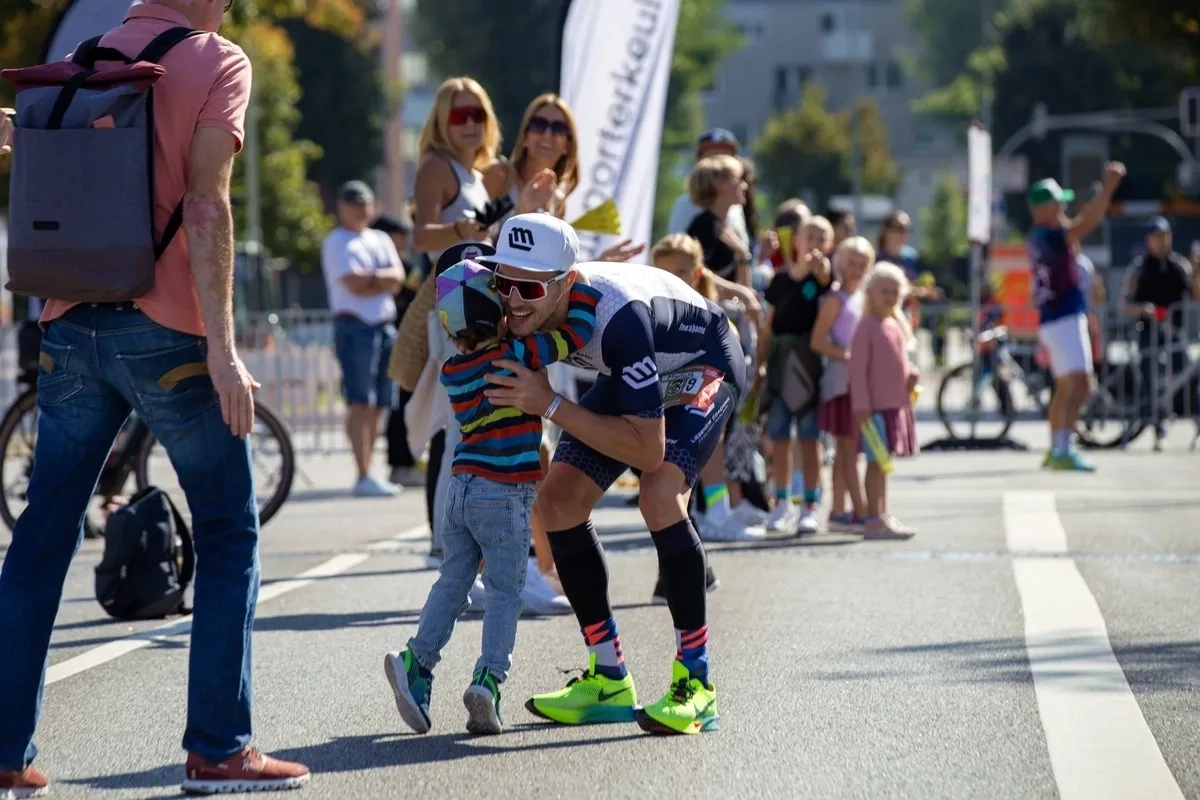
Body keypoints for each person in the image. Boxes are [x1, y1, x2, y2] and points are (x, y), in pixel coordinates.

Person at [0, 0, 310, 795]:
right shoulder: (218, 60)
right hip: (166, 331)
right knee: (228, 529)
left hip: (70, 323)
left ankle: (4, 750)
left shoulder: (92, 52)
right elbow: (207, 204)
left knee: (41, 536)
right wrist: (225, 348)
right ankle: (219, 746)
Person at [481, 213, 745, 736]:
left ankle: (698, 684)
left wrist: (551, 403)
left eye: (528, 287)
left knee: (660, 488)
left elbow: (647, 452)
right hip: (641, 367)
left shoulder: (615, 318)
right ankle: (608, 676)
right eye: (502, 282)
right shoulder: (515, 304)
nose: (512, 300)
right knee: (557, 502)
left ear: (566, 282)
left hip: (704, 357)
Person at [384, 259, 602, 736]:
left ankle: (417, 663)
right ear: (501, 314)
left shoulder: (453, 370)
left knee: (453, 582)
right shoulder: (521, 354)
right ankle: (488, 679)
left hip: (461, 490)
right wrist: (577, 285)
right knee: (505, 593)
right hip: (505, 493)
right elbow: (577, 332)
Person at [1028, 165, 1124, 471]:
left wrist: (1086, 208)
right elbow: (1086, 225)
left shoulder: (1042, 235)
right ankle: (1063, 449)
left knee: (1065, 387)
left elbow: (1075, 229)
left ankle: (1057, 448)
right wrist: (1108, 189)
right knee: (1080, 385)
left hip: (1055, 319)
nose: (1062, 208)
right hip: (1064, 317)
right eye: (1057, 203)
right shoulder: (1051, 235)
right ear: (1044, 207)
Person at [321, 180, 406, 497]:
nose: (358, 208)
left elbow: (397, 279)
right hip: (355, 326)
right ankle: (362, 474)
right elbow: (353, 284)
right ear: (341, 207)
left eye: (363, 203)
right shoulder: (336, 241)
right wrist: (379, 280)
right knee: (360, 401)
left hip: (384, 326)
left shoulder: (380, 238)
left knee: (379, 404)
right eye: (352, 203)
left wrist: (372, 280)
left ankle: (370, 472)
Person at [758, 216, 834, 534]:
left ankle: (810, 506)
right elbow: (770, 323)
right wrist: (759, 364)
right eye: (809, 236)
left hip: (810, 366)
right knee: (778, 438)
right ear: (797, 241)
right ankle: (781, 503)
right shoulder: (778, 280)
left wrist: (819, 270)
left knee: (809, 438)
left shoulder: (824, 281)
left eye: (821, 237)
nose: (814, 242)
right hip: (780, 364)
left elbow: (827, 281)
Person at [849, 263, 920, 539]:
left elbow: (901, 361)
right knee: (875, 462)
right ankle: (872, 517)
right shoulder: (866, 326)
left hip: (893, 405)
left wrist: (912, 374)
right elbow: (857, 370)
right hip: (873, 408)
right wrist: (861, 404)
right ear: (871, 293)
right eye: (884, 290)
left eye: (895, 291)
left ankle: (881, 512)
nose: (890, 296)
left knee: (883, 462)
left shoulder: (894, 324)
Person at [1121, 216, 1200, 447]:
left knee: (1188, 375)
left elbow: (1195, 293)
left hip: (1175, 331)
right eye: (1157, 237)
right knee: (1151, 380)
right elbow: (1125, 302)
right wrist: (1143, 310)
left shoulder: (1179, 265)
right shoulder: (1140, 267)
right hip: (1148, 331)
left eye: (1166, 236)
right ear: (1149, 240)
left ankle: (1195, 419)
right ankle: (1159, 426)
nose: (1162, 241)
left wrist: (1196, 270)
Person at [812, 237, 874, 533]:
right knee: (848, 449)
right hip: (841, 383)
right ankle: (862, 512)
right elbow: (818, 340)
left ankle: (838, 512)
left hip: (858, 383)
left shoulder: (863, 297)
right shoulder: (836, 300)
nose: (857, 269)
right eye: (852, 263)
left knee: (844, 450)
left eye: (863, 265)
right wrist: (848, 356)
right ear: (840, 264)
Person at [371, 213, 425, 488]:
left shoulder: (399, 265)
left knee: (402, 404)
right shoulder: (393, 266)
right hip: (399, 344)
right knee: (398, 406)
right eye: (399, 235)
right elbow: (419, 285)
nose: (404, 240)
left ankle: (406, 462)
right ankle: (400, 465)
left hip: (404, 342)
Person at [685, 155, 753, 287]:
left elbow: (744, 288)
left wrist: (743, 254)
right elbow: (698, 278)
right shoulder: (703, 226)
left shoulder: (726, 225)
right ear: (718, 184)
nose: (744, 186)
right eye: (738, 179)